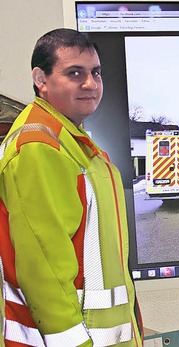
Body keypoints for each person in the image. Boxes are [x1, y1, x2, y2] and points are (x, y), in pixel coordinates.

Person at [0, 28, 143, 346]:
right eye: (74, 73)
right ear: (41, 79)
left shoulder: (73, 143)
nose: (90, 83)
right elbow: (45, 275)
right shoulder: (40, 147)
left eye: (96, 72)